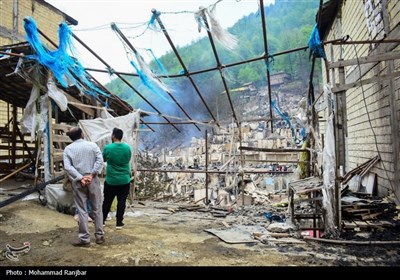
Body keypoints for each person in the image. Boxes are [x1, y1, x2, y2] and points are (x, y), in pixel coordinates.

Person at [63, 127, 105, 246]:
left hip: (78, 182)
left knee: (82, 210)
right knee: (97, 209)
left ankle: (84, 238)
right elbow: (99, 160)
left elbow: (68, 167)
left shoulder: (68, 149)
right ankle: (99, 236)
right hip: (93, 180)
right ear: (82, 134)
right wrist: (91, 175)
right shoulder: (92, 145)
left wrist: (81, 178)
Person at [102, 127, 132, 229]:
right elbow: (128, 159)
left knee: (107, 201)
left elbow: (103, 159)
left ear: (113, 136)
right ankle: (119, 222)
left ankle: (102, 221)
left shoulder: (108, 148)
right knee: (121, 202)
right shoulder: (127, 148)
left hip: (111, 180)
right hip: (124, 180)